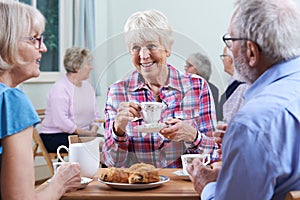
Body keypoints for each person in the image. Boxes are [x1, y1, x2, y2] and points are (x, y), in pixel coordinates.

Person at [187, 0, 300, 199]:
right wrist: (238, 171)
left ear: (251, 52)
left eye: (230, 40)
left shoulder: (251, 124)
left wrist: (207, 186)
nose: (229, 49)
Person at [102, 9, 220, 168]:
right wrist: (118, 130)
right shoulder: (117, 92)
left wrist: (193, 136)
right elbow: (112, 163)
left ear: (167, 49)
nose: (143, 55)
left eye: (151, 46)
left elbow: (214, 155)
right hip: (137, 189)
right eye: (136, 48)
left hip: (184, 190)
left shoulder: (197, 87)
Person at [0, 1, 81, 199]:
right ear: (6, 43)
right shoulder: (10, 101)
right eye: (34, 39)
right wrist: (60, 182)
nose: (43, 48)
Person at [40, 47, 101, 153]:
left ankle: (106, 170)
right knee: (94, 145)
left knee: (109, 144)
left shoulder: (88, 87)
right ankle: (89, 169)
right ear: (76, 67)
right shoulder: (60, 89)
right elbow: (62, 122)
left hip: (81, 134)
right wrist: (87, 134)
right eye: (88, 64)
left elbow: (96, 115)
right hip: (55, 135)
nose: (91, 68)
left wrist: (93, 130)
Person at [217, 47, 249, 122]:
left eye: (223, 56)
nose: (222, 60)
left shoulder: (242, 86)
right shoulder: (234, 83)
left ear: (230, 59)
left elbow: (231, 118)